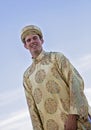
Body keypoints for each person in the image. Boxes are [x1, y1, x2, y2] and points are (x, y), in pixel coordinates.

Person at [20, 25, 91, 130]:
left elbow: (75, 83)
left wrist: (73, 116)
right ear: (26, 46)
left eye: (35, 38)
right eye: (28, 40)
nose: (32, 41)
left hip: (75, 123)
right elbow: (32, 109)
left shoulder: (56, 58)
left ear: (42, 40)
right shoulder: (27, 75)